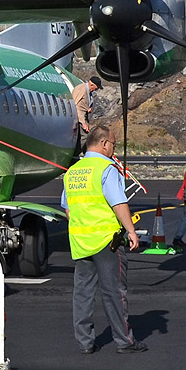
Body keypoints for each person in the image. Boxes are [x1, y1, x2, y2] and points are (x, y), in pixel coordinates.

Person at [61, 124, 147, 353]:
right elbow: (118, 202)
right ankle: (124, 341)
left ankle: (85, 342)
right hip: (106, 242)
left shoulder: (73, 172)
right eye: (113, 145)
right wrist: (130, 230)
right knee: (114, 292)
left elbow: (68, 209)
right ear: (104, 143)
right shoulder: (106, 168)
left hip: (81, 242)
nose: (113, 149)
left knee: (82, 293)